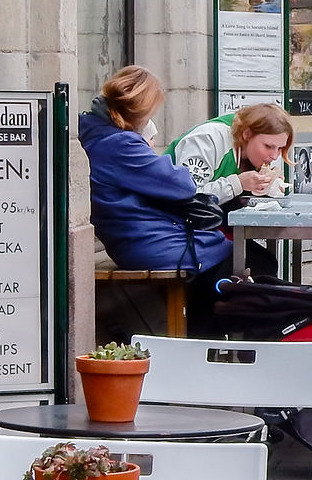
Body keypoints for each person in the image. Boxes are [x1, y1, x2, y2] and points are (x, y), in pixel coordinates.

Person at [78, 66, 234, 330]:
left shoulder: (97, 134)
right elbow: (183, 185)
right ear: (140, 112)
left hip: (132, 237)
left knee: (229, 255)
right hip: (147, 242)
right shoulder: (121, 144)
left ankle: (200, 336)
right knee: (239, 259)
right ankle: (204, 339)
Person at [167, 103, 294, 206]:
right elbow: (187, 197)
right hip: (163, 216)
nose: (275, 156)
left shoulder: (251, 155)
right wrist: (237, 184)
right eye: (268, 146)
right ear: (247, 134)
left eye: (280, 148)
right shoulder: (208, 139)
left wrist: (267, 189)